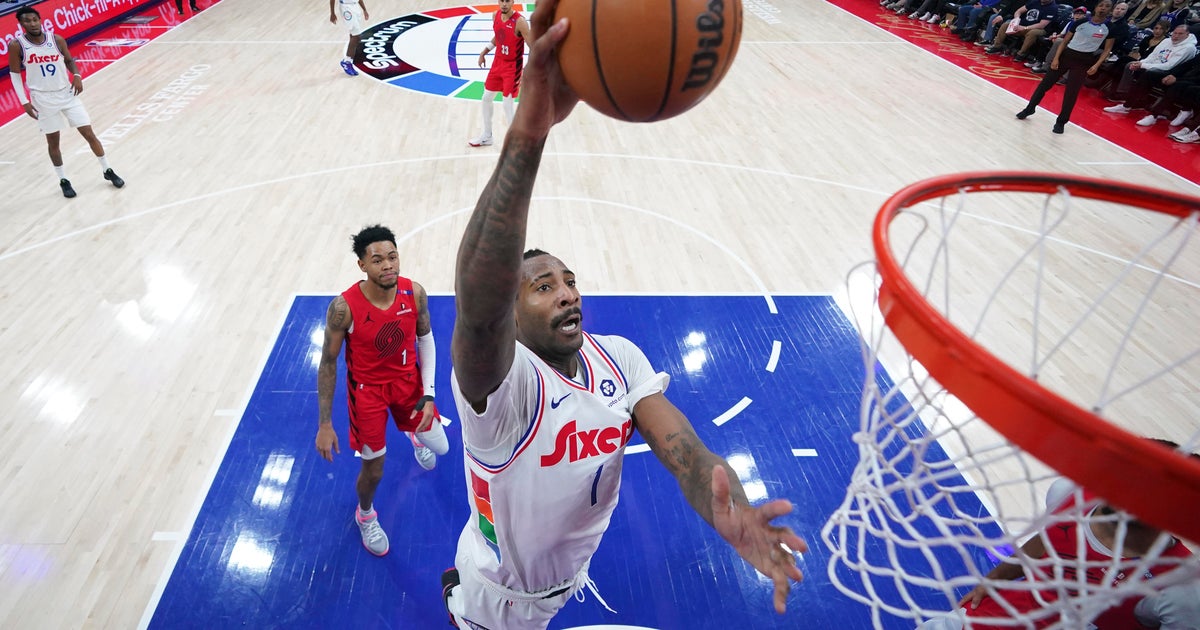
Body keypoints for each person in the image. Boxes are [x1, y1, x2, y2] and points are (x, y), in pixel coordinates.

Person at [440, 1, 808, 627]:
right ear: (513, 307)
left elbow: (687, 453)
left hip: (562, 583)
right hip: (497, 603)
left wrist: (731, 509)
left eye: (570, 281)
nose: (565, 293)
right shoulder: (503, 394)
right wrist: (529, 135)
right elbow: (477, 313)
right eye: (542, 286)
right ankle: (455, 594)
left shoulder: (620, 360)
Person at [918, 439, 1198, 630]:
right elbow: (1044, 542)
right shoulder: (1070, 494)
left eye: (1150, 488)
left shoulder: (1184, 586)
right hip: (1003, 616)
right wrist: (992, 580)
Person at [314, 225, 449, 557]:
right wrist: (325, 424)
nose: (388, 265)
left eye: (392, 257)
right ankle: (366, 515)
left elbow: (426, 340)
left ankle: (414, 433)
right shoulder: (343, 308)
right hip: (368, 394)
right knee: (374, 469)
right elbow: (328, 363)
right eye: (377, 260)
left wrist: (429, 394)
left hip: (408, 385)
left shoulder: (414, 293)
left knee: (442, 448)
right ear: (362, 265)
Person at [7, 7, 124, 199]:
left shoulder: (56, 39)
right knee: (53, 141)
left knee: (89, 133)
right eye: (27, 21)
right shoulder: (16, 45)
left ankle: (107, 169)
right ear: (21, 24)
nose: (32, 23)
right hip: (42, 98)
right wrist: (24, 101)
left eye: (35, 19)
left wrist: (77, 75)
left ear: (40, 20)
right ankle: (63, 180)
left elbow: (69, 60)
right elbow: (14, 75)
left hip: (67, 94)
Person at [1016, 0, 1117, 133]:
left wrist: (1097, 65)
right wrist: (1056, 58)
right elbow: (1064, 41)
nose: (1103, 9)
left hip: (1084, 61)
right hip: (1067, 55)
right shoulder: (1081, 22)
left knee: (1071, 93)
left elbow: (1107, 50)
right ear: (1096, 7)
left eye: (1107, 6)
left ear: (1110, 10)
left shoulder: (1110, 28)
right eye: (1101, 5)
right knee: (1044, 84)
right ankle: (1029, 109)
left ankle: (1061, 122)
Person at [467, 0, 531, 148]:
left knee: (507, 103)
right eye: (501, 0)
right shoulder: (495, 15)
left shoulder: (520, 22)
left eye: (507, 1)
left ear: (513, 2)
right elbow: (499, 36)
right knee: (486, 98)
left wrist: (529, 67)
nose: (504, 4)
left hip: (512, 67)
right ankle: (487, 136)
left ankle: (516, 141)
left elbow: (532, 44)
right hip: (497, 63)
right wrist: (484, 52)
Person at [1102, 23, 1198, 113]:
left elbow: (1169, 66)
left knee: (1149, 73)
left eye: (1180, 34)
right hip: (1153, 65)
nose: (1176, 36)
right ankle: (1121, 93)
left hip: (1169, 72)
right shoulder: (1166, 41)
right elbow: (1153, 56)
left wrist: (1143, 65)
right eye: (1175, 33)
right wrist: (1140, 62)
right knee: (1128, 63)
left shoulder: (1189, 48)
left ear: (1187, 35)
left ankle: (1127, 106)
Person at [329, 0, 368, 77]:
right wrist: (332, 13)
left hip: (355, 6)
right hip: (346, 8)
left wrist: (364, 9)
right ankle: (347, 62)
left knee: (353, 34)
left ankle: (350, 58)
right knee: (356, 36)